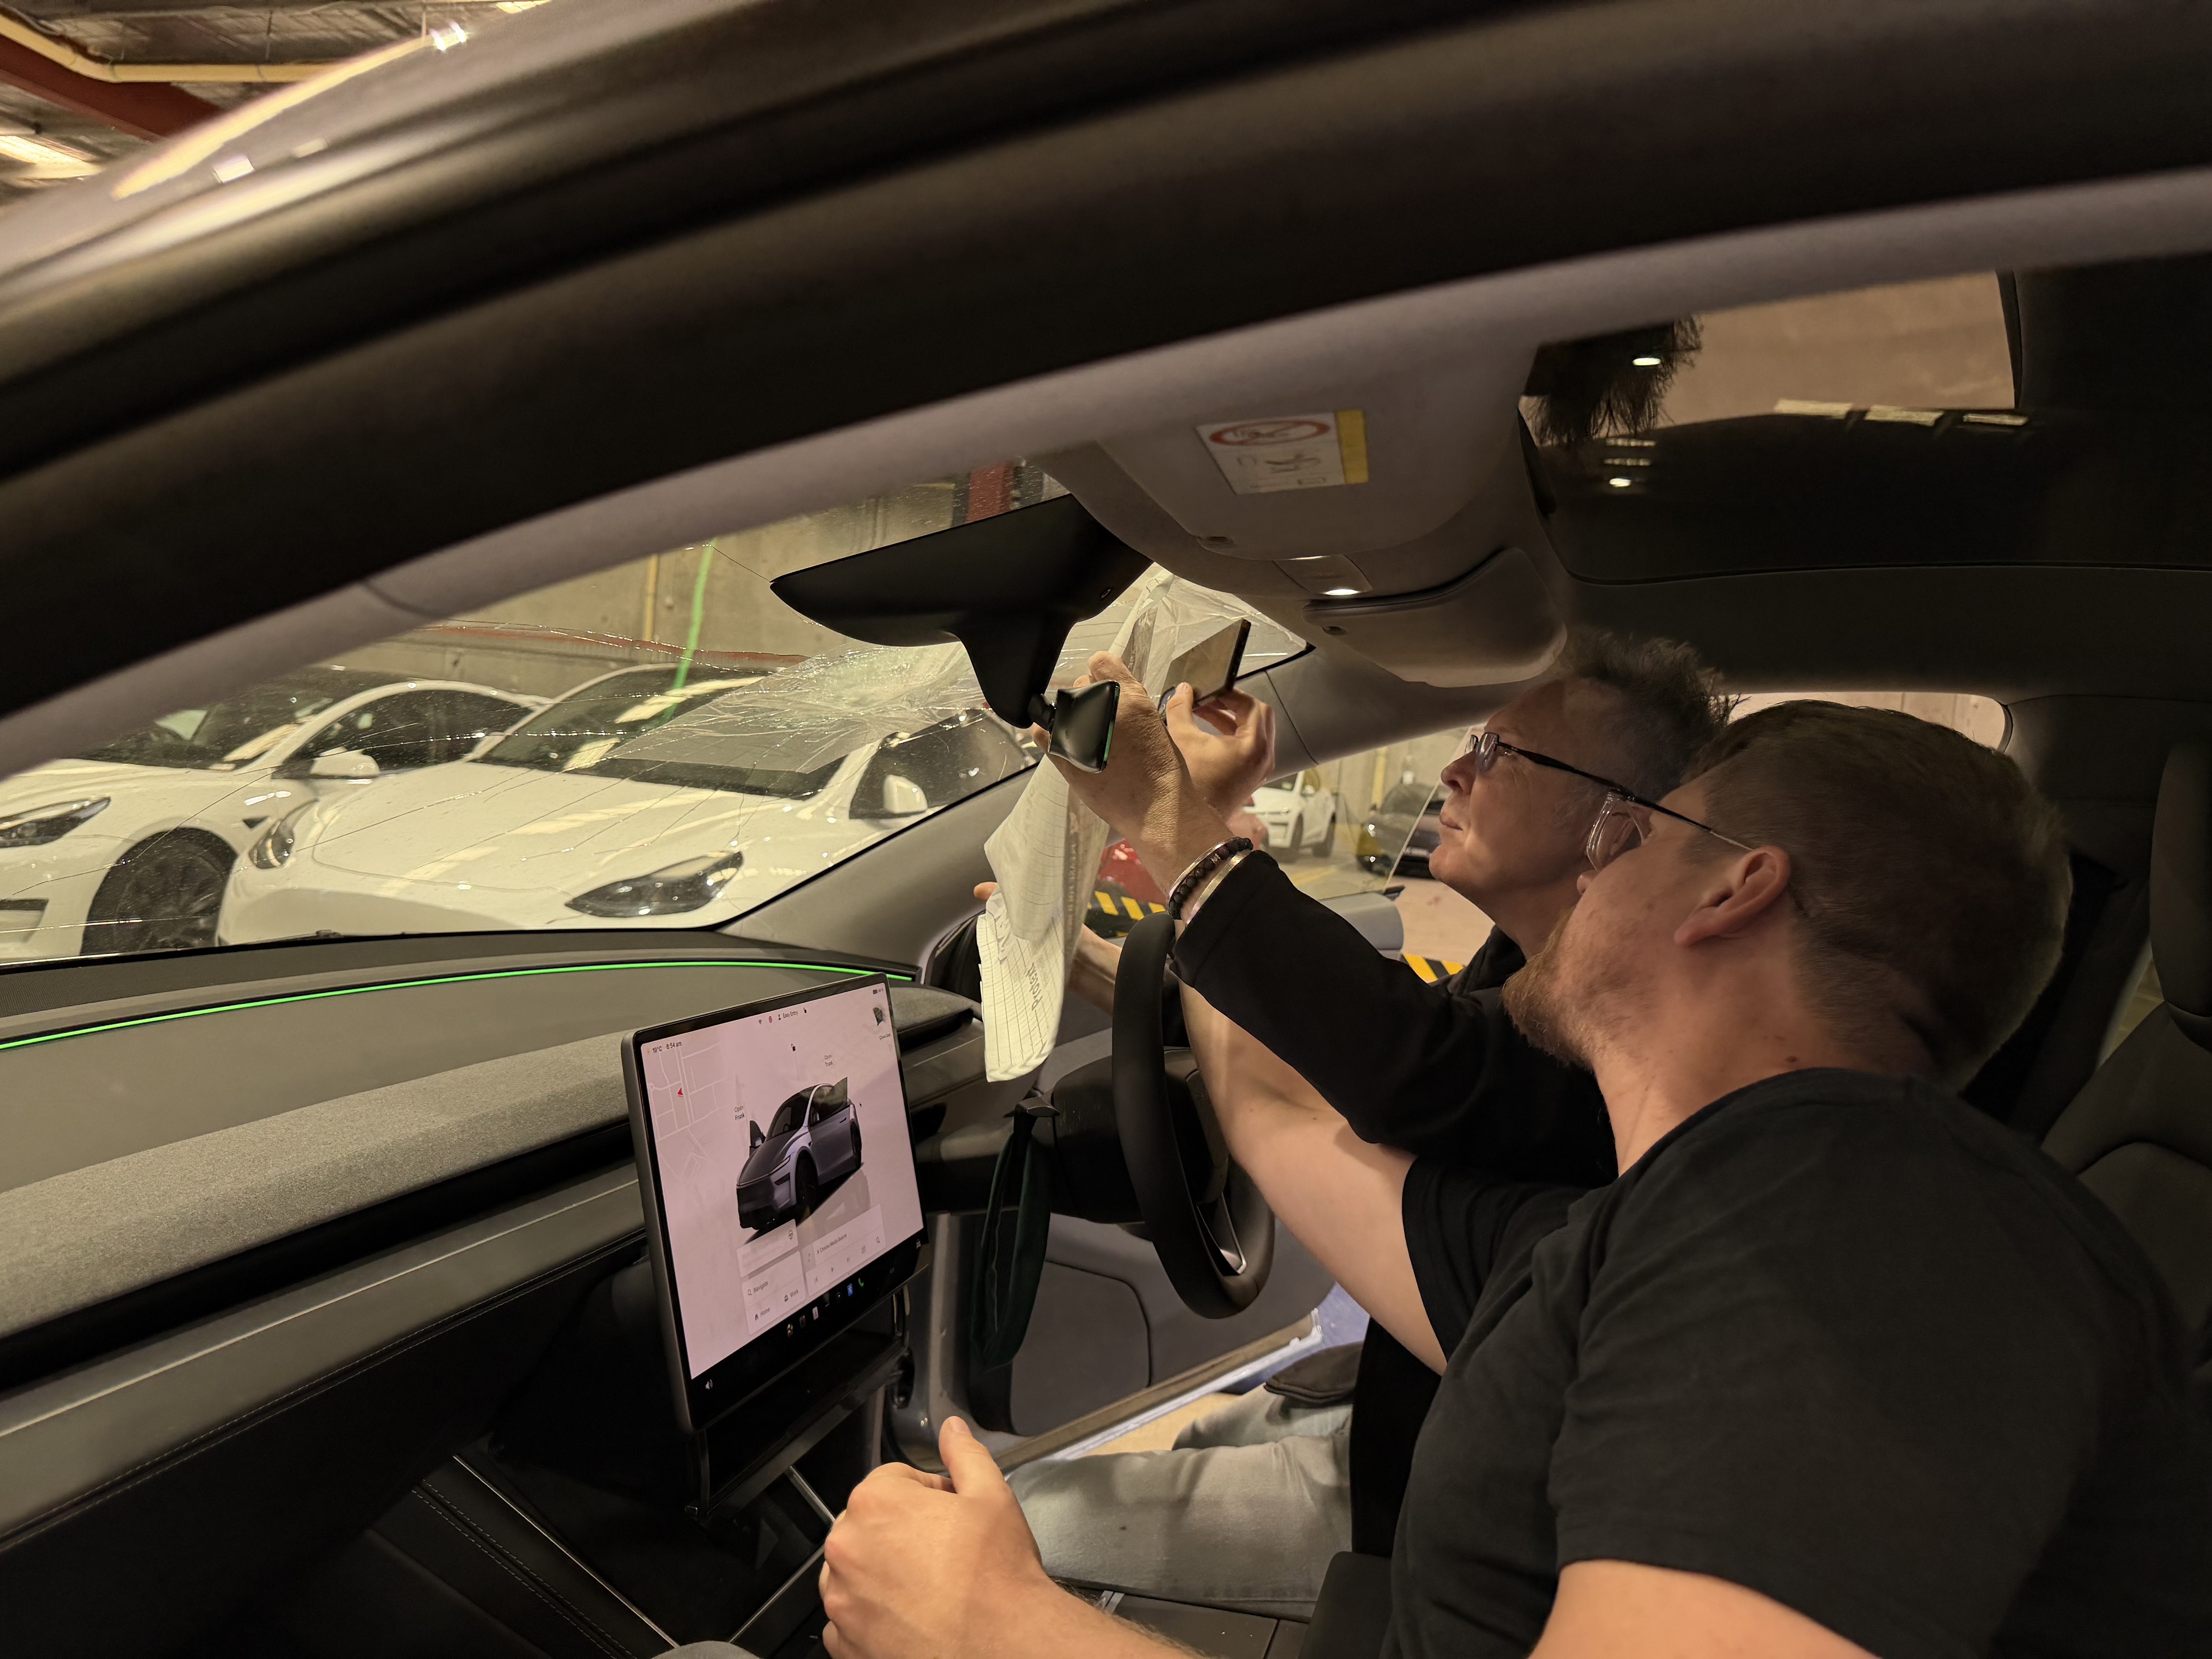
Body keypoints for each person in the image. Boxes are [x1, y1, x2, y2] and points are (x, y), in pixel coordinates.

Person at [821, 697, 2212, 1659]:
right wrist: (1182, 874)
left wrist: (1002, 1626)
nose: (1589, 879)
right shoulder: (1654, 1232)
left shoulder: (1851, 1228)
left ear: (1731, 890)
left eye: (1629, 837)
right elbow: (1282, 1125)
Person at [1000, 633, 1733, 1614]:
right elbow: (1356, 1049)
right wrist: (1100, 966)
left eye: (1502, 754)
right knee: (1197, 1434)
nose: (1456, 769)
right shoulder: (1519, 967)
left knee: (1026, 1517)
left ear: (1618, 828)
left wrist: (1175, 817)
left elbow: (1392, 1069)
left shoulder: (1612, 1042)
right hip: (1403, 1411)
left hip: (1437, 1500)